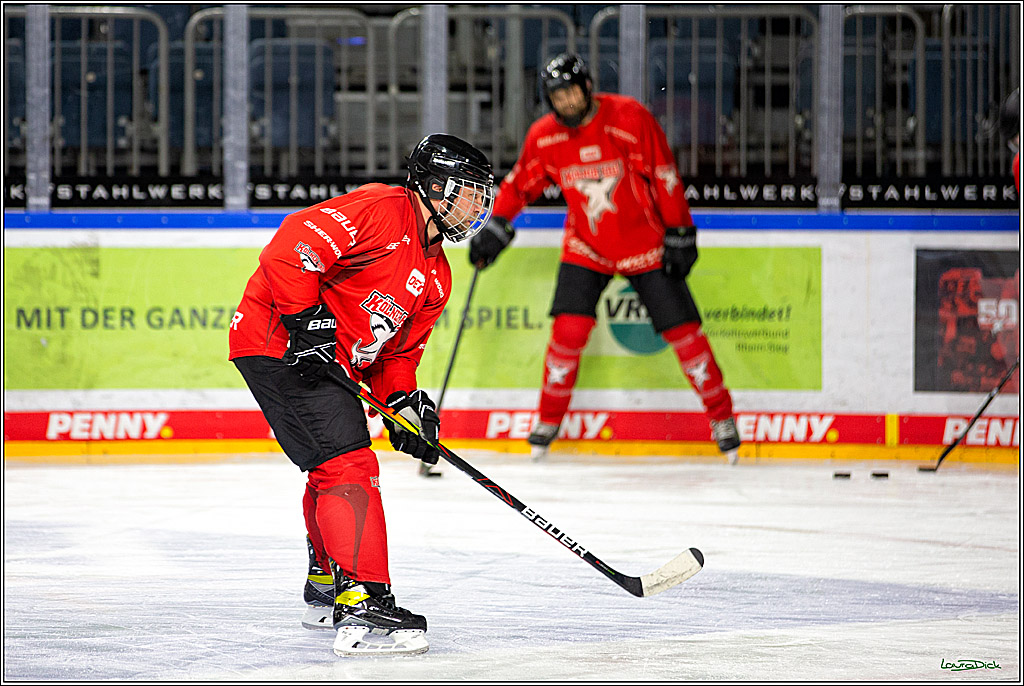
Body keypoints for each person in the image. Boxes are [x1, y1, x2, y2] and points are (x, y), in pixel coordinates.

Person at [228, 134, 494, 656]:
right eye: (468, 192)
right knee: (348, 464)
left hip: (323, 360)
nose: (477, 206)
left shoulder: (437, 274)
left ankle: (328, 581)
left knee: (332, 461)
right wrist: (308, 321)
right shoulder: (383, 208)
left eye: (482, 196)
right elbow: (290, 246)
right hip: (278, 341)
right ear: (434, 187)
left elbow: (395, 358)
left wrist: (404, 407)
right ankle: (362, 597)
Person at [469, 52, 741, 462]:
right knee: (568, 332)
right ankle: (547, 421)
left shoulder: (628, 117)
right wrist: (494, 224)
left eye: (571, 92)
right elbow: (520, 183)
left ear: (588, 87)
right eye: (557, 96)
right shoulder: (545, 136)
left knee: (685, 336)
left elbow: (664, 174)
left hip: (645, 246)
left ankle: (722, 418)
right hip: (587, 246)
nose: (566, 103)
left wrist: (680, 231)